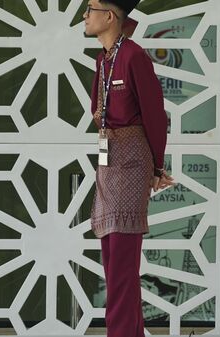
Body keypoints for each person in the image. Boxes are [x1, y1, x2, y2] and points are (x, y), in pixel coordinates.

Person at [83, 0, 174, 336]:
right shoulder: (103, 60)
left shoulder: (134, 56)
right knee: (115, 267)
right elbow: (98, 109)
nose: (84, 15)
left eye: (89, 8)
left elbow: (154, 114)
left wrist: (157, 166)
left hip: (132, 162)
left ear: (109, 16)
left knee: (120, 270)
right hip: (110, 163)